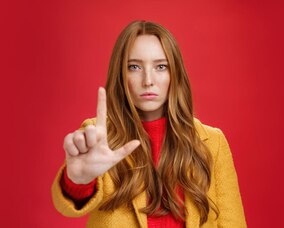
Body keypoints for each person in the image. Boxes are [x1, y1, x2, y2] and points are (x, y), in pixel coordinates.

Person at [51, 20, 246, 227]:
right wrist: (79, 181)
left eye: (161, 67)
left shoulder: (213, 143)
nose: (148, 80)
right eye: (134, 67)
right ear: (121, 74)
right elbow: (68, 205)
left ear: (175, 73)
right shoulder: (99, 138)